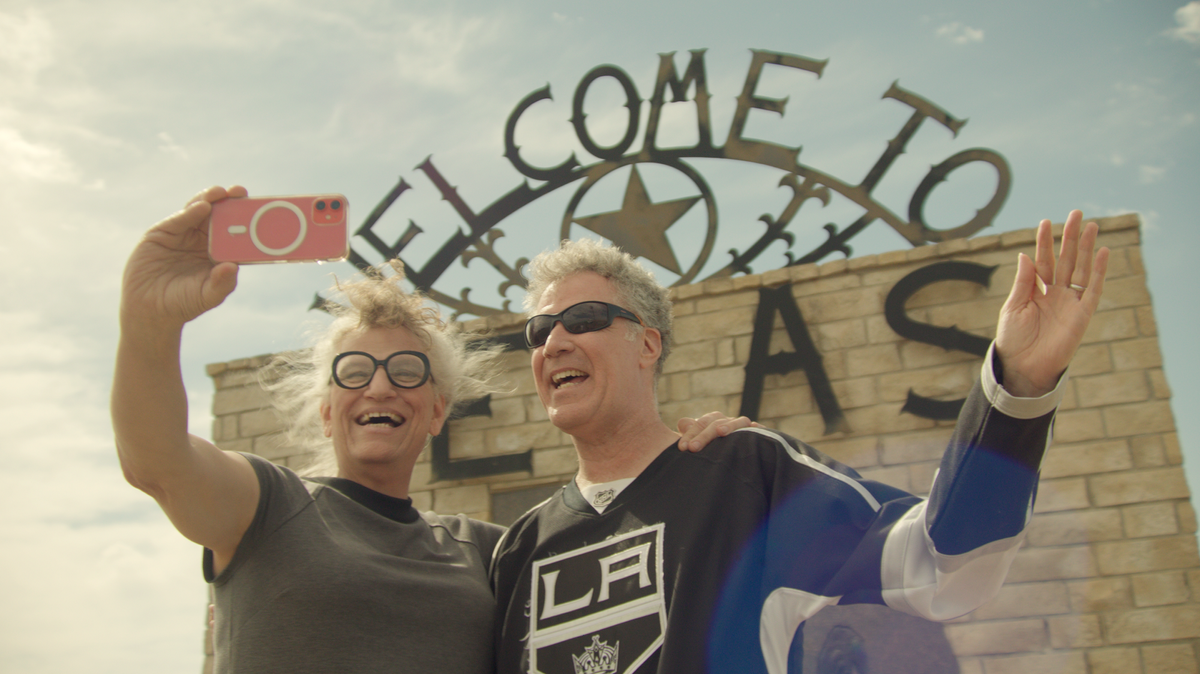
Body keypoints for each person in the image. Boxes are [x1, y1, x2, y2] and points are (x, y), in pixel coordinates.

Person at [111, 186, 744, 673]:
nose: (380, 387)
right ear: (328, 409)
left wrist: (699, 456)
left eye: (406, 371)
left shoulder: (495, 551)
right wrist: (149, 324)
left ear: (437, 410)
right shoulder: (266, 506)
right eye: (355, 371)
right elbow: (156, 460)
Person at [489, 210, 1109, 674]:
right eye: (539, 330)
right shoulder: (519, 549)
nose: (555, 343)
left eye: (586, 320)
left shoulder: (747, 478)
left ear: (648, 344)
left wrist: (1017, 389)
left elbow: (942, 565)